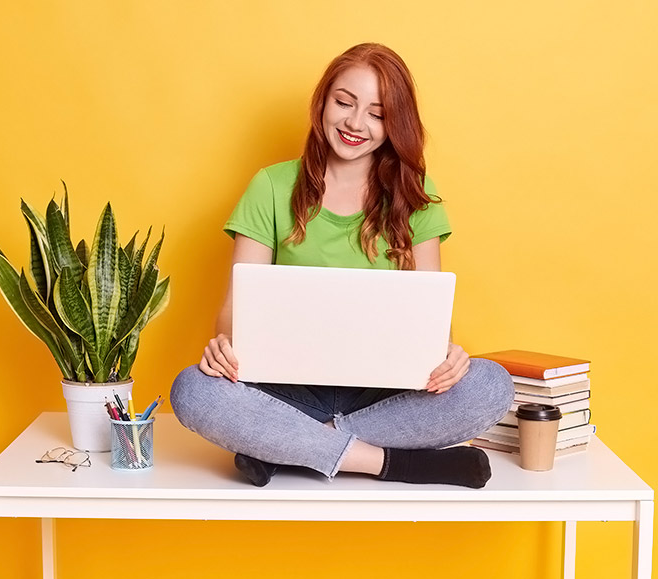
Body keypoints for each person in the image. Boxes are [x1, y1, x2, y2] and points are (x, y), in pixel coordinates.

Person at [171, 43, 513, 488]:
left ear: (396, 124)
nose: (355, 123)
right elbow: (235, 310)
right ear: (323, 101)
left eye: (377, 113)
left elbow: (430, 316)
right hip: (284, 392)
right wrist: (223, 343)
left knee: (491, 385)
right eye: (344, 103)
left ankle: (288, 449)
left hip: (386, 396)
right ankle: (390, 463)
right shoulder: (272, 186)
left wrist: (447, 356)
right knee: (193, 390)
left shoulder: (417, 195)